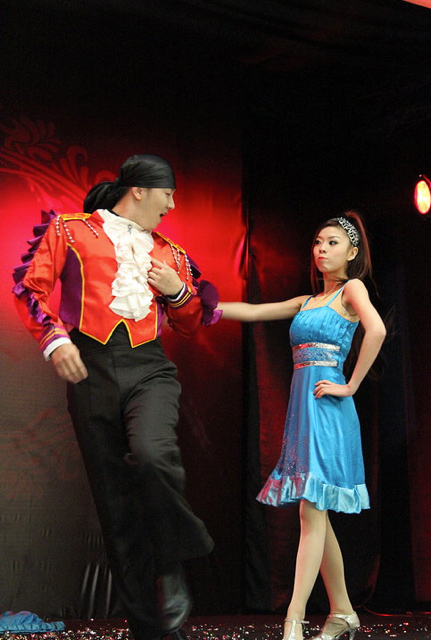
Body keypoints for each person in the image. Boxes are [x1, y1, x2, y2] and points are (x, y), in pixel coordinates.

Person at [12, 154, 220, 640]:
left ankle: (174, 558)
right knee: (116, 507)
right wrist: (55, 341)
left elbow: (192, 323)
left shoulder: (170, 253)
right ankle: (150, 629)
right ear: (139, 190)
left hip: (149, 368)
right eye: (167, 193)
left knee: (152, 454)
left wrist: (178, 293)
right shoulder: (70, 230)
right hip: (91, 371)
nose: (172, 204)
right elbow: (30, 288)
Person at [217, 211, 386, 640]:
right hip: (303, 412)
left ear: (352, 252)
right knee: (315, 515)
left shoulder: (352, 289)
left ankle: (294, 619)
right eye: (317, 242)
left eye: (332, 242)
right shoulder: (306, 302)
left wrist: (350, 385)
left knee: (311, 512)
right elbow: (252, 311)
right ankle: (343, 611)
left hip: (328, 410)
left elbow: (377, 330)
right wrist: (192, 302)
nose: (321, 249)